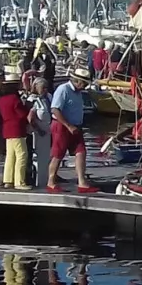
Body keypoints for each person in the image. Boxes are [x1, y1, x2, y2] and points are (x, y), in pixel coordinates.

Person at [47, 66, 97, 194]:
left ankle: (82, 182)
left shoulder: (78, 92)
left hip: (76, 126)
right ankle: (51, 181)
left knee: (81, 151)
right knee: (58, 153)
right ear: (78, 81)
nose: (85, 86)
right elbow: (55, 109)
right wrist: (68, 125)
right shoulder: (63, 89)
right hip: (62, 125)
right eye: (84, 83)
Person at [0, 70, 30, 189]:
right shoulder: (15, 99)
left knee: (10, 155)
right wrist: (27, 107)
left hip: (7, 128)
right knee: (22, 154)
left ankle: (8, 180)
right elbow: (21, 114)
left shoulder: (1, 99)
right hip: (17, 128)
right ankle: (19, 182)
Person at [27, 76, 52, 188]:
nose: (45, 90)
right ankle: (39, 182)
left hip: (50, 131)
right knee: (40, 159)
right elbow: (30, 118)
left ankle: (49, 180)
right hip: (38, 133)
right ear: (36, 87)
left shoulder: (49, 97)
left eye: (46, 87)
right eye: (42, 88)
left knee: (49, 157)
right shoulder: (32, 100)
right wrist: (38, 130)